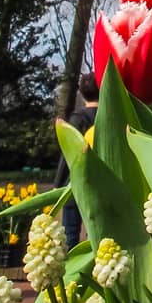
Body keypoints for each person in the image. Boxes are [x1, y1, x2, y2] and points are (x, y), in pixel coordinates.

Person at [54, 72, 99, 247]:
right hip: (101, 186)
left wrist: (58, 185)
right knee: (97, 235)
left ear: (81, 92)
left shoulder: (76, 119)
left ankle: (73, 271)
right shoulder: (108, 117)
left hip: (74, 186)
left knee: (70, 234)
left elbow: (67, 156)